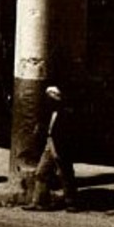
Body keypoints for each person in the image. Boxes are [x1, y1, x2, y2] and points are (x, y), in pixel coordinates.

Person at [28, 84, 81, 212]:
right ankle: (39, 202)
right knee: (41, 172)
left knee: (65, 174)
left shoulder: (66, 113)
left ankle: (71, 202)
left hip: (62, 146)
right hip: (50, 143)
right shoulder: (49, 112)